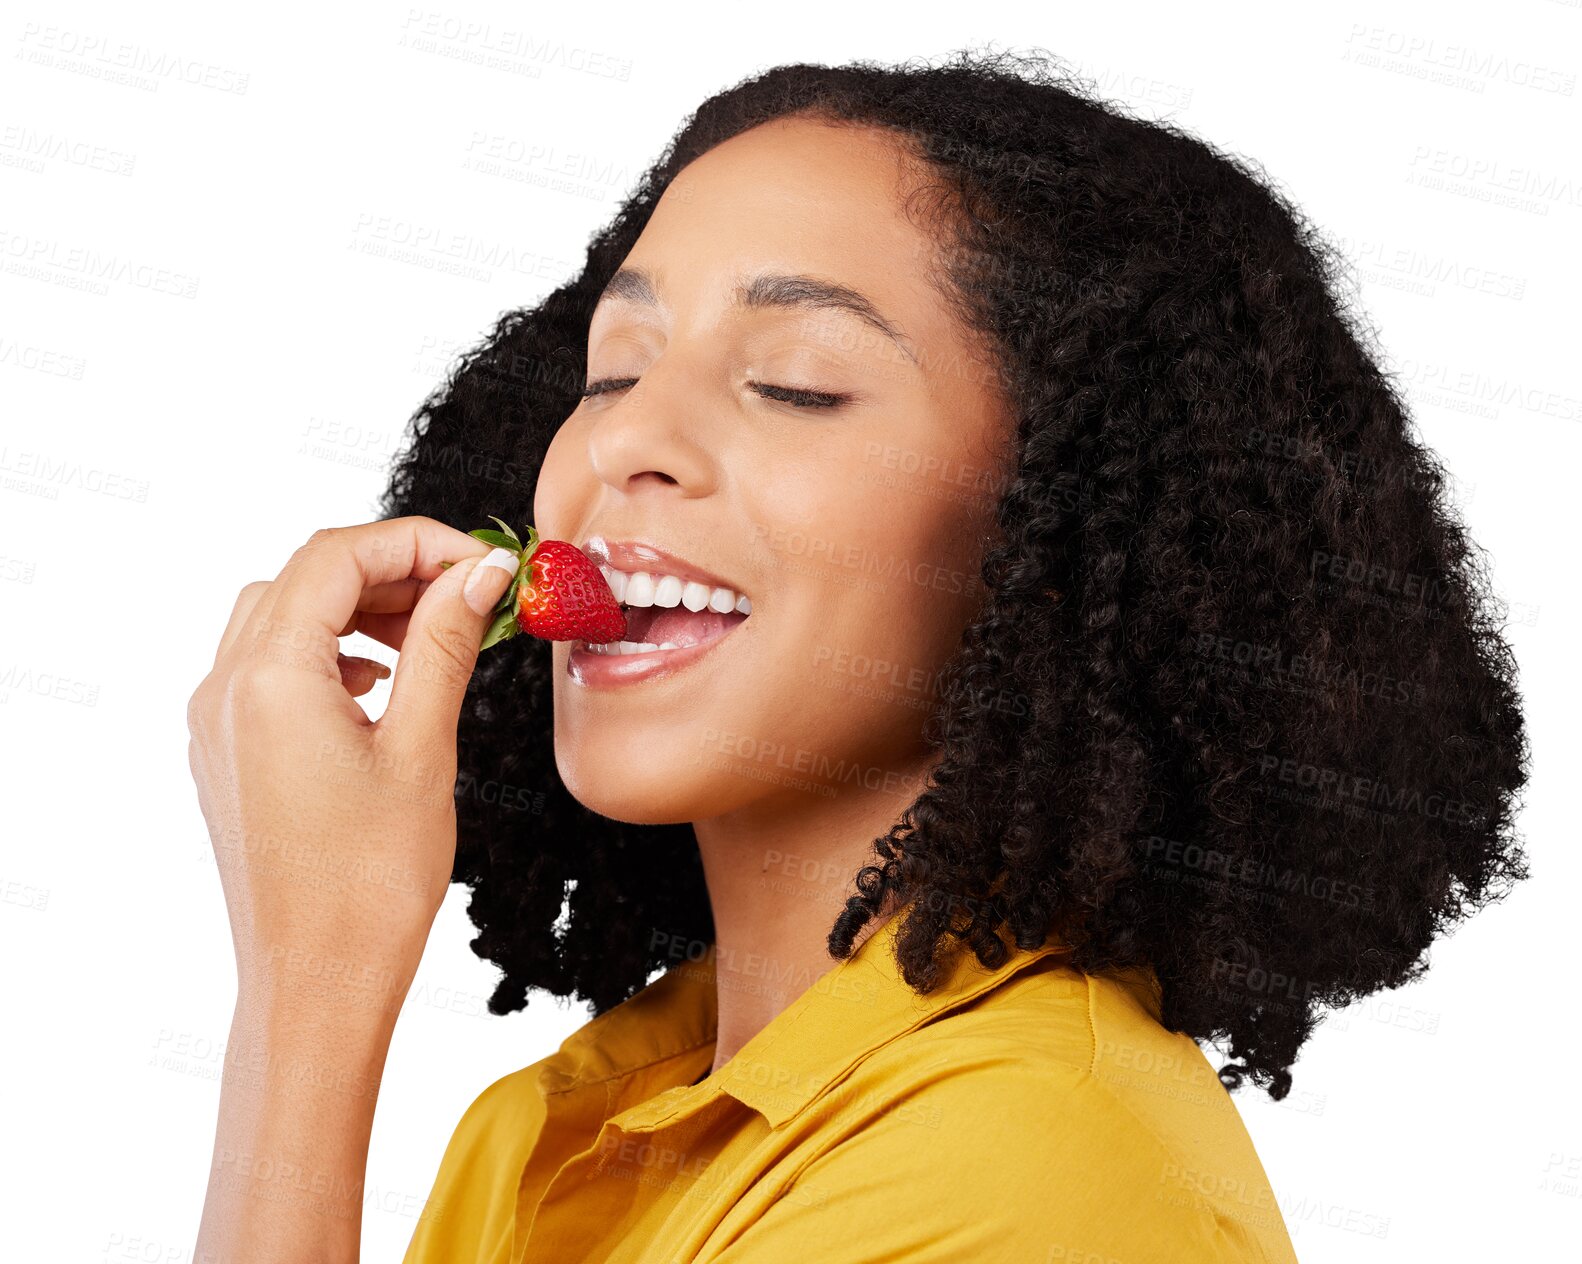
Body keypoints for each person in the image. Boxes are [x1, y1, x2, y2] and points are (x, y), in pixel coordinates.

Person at [188, 49, 1530, 1264]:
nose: (620, 443)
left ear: (1054, 524)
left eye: (796, 383)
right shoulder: (569, 1125)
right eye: (611, 370)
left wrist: (308, 1003)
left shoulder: (1022, 1176)